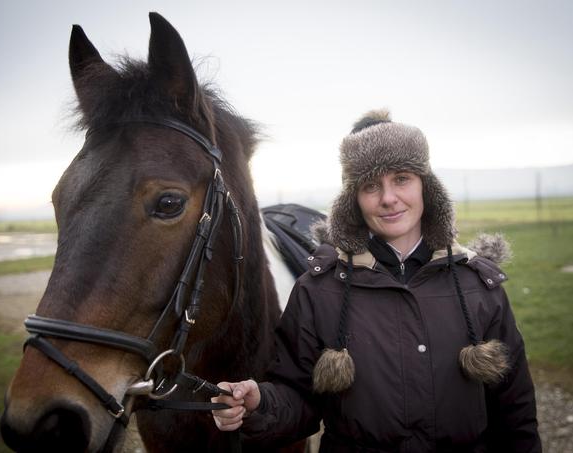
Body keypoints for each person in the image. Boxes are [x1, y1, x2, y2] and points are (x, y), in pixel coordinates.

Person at [212, 109, 541, 452]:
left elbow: (515, 413)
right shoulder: (318, 290)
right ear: (353, 199)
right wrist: (259, 404)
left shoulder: (478, 287)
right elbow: (300, 400)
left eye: (401, 179)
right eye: (371, 185)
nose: (387, 198)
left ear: (426, 186)